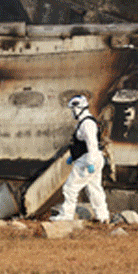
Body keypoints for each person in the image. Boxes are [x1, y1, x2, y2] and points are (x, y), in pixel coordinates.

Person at [51, 95, 109, 223]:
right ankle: (103, 216)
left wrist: (89, 162)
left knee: (70, 188)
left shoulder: (87, 124)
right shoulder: (86, 122)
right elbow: (82, 144)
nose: (72, 113)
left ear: (78, 109)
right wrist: (73, 157)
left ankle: (66, 216)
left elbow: (91, 143)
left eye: (73, 110)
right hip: (91, 158)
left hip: (88, 160)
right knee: (94, 189)